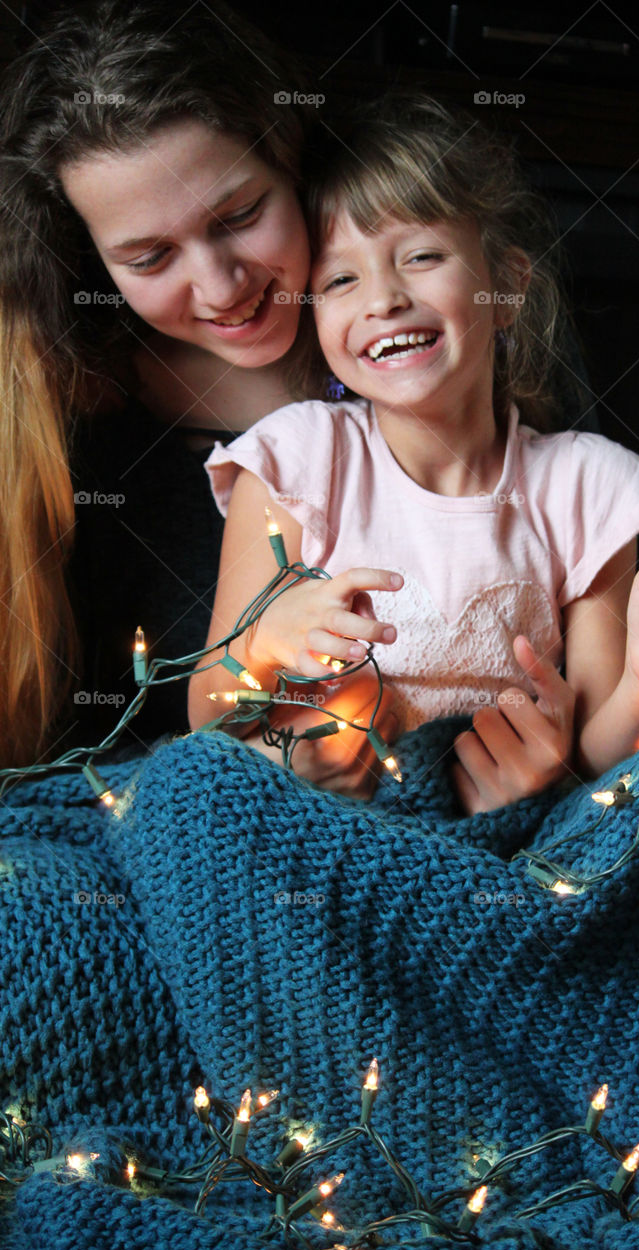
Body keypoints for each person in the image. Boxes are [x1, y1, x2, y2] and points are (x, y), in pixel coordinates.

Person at [190, 95, 639, 813]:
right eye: (340, 279)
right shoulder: (295, 464)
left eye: (421, 256)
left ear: (507, 289)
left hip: (501, 841)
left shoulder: (586, 488)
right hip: (317, 829)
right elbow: (207, 714)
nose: (382, 297)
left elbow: (597, 761)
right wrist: (261, 643)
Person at [0, 0, 394, 791]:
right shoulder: (74, 421)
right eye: (148, 258)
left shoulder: (430, 331)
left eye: (242, 215)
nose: (221, 288)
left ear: (295, 163)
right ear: (93, 259)